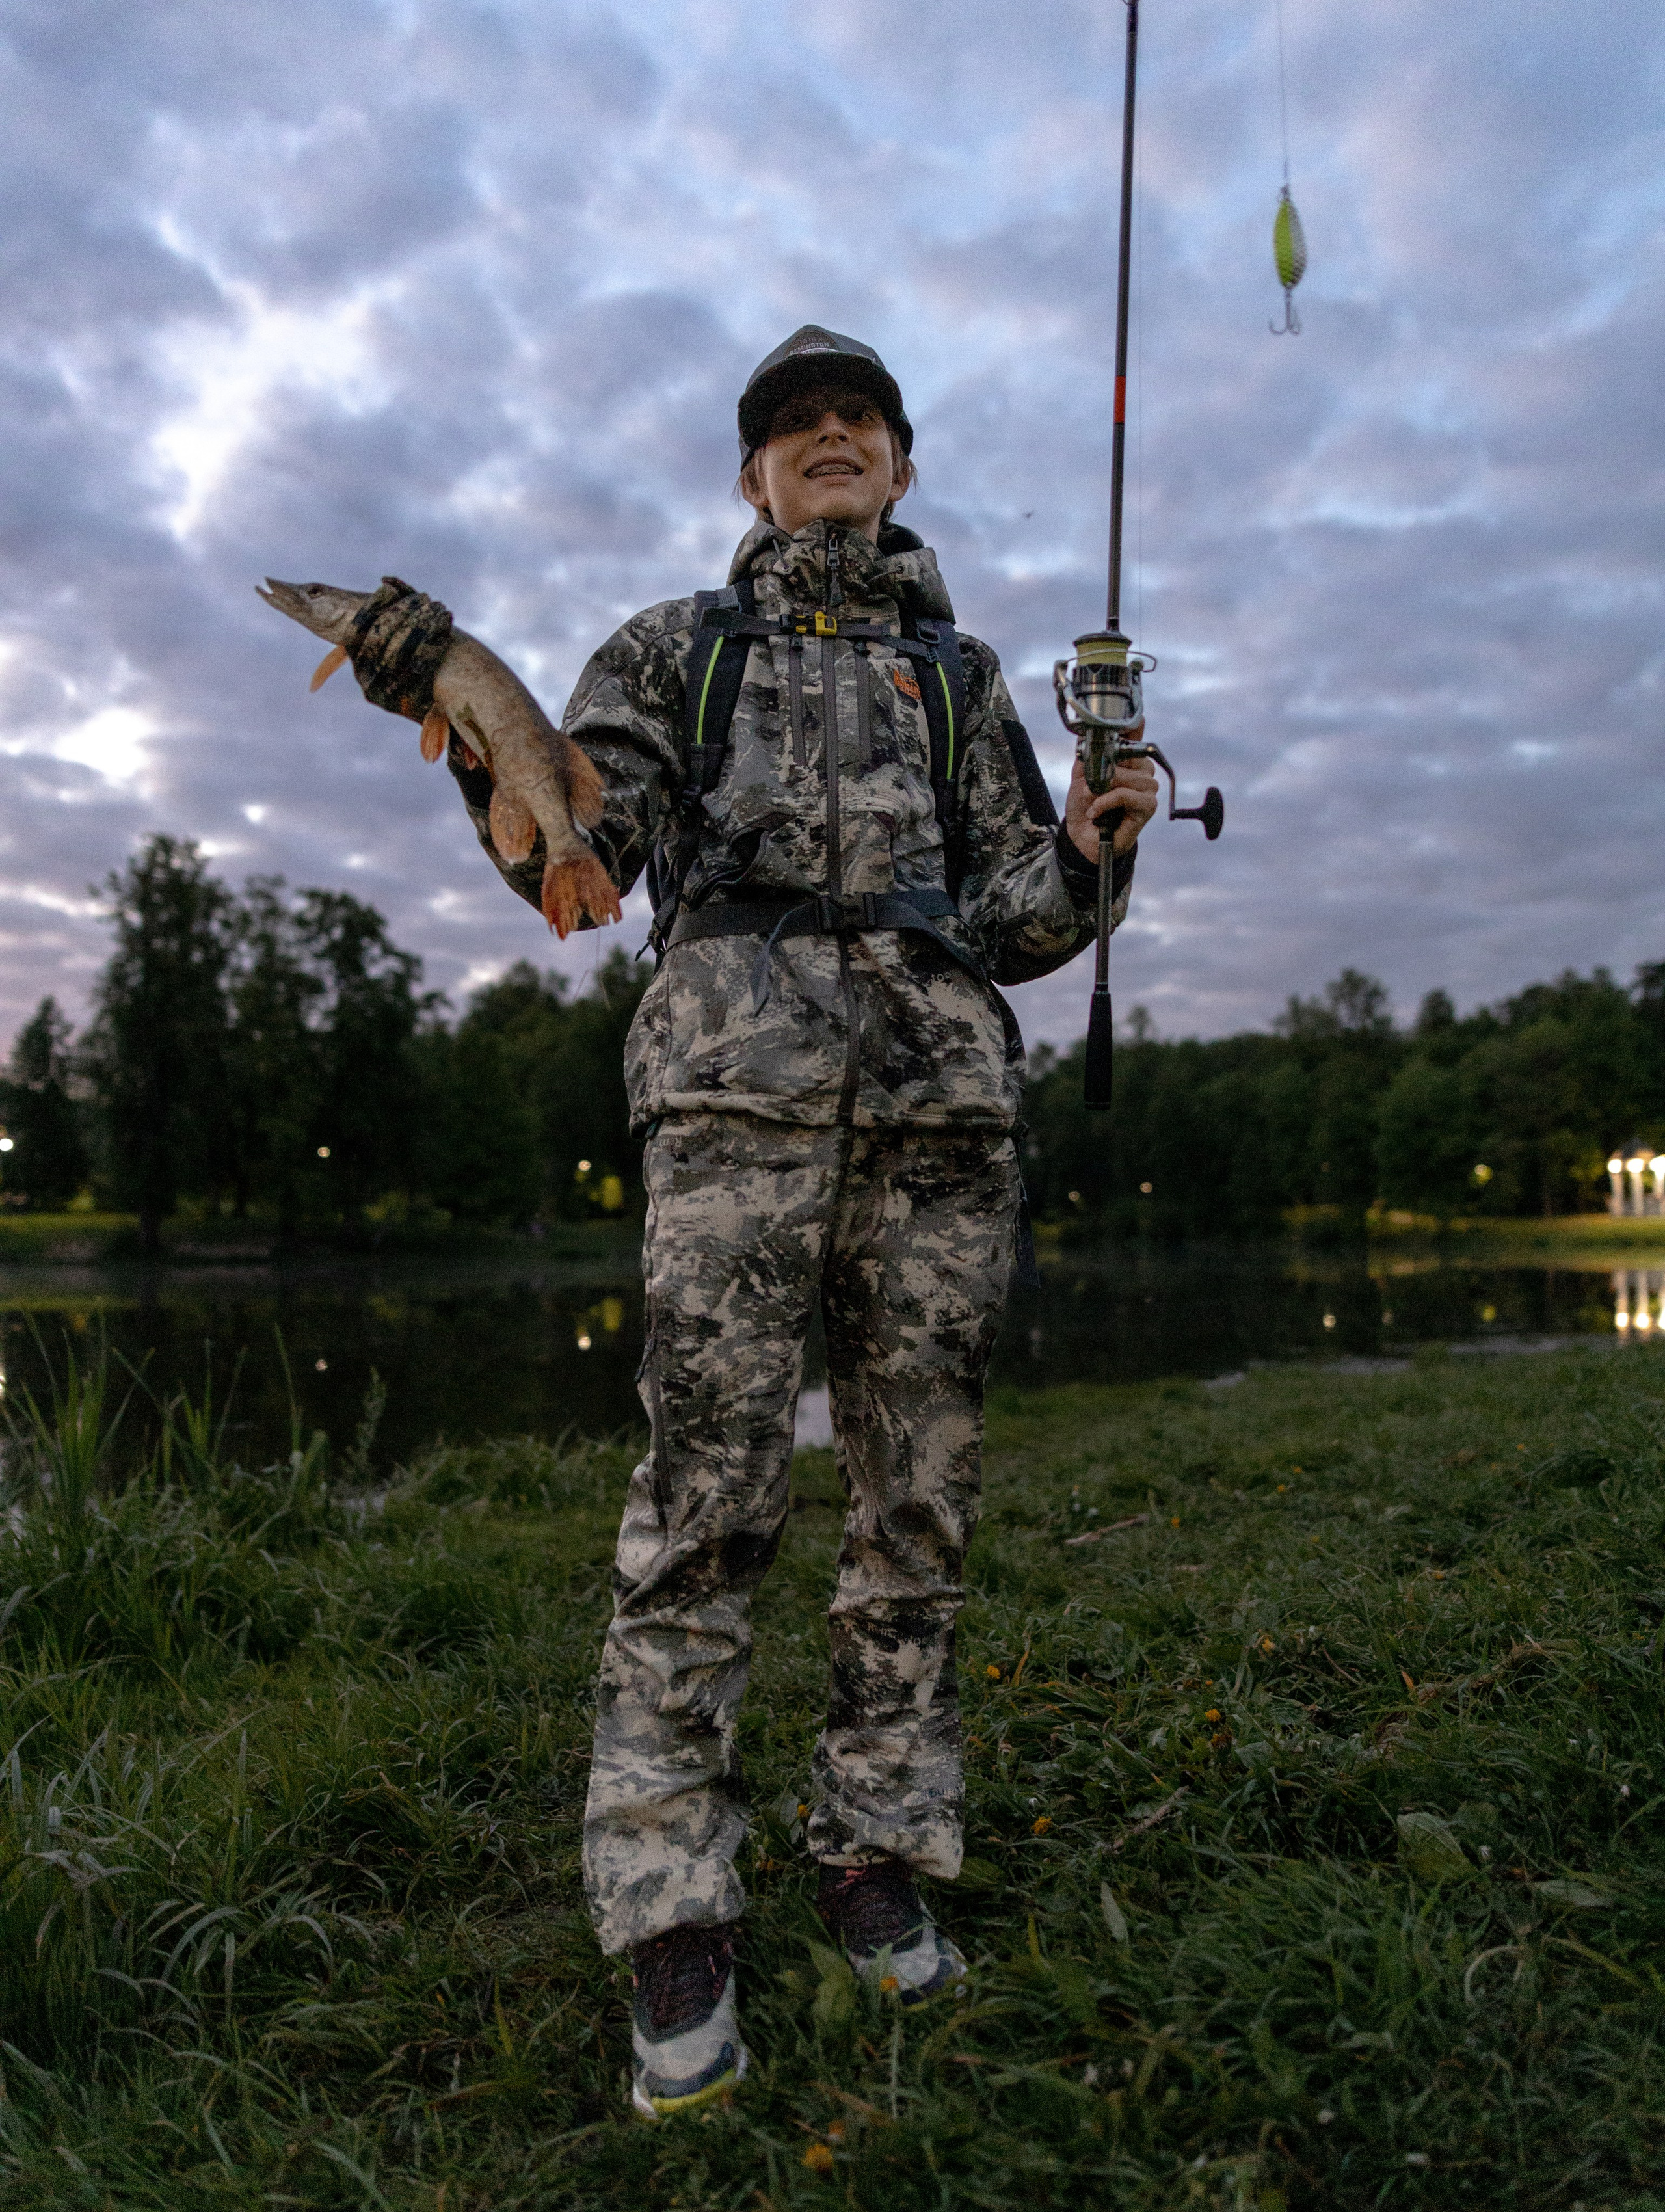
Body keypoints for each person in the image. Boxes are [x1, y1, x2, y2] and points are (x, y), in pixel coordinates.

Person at [388, 326, 1158, 2120]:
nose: (827, 437)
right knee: (703, 1502)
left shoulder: (963, 676)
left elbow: (1025, 914)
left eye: (858, 421)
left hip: (940, 1121)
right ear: (752, 475)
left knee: (916, 1501)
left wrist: (1103, 844)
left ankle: (873, 1840)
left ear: (899, 466)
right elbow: (580, 842)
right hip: (732, 1107)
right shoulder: (676, 645)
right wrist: (473, 740)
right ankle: (671, 1896)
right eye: (790, 425)